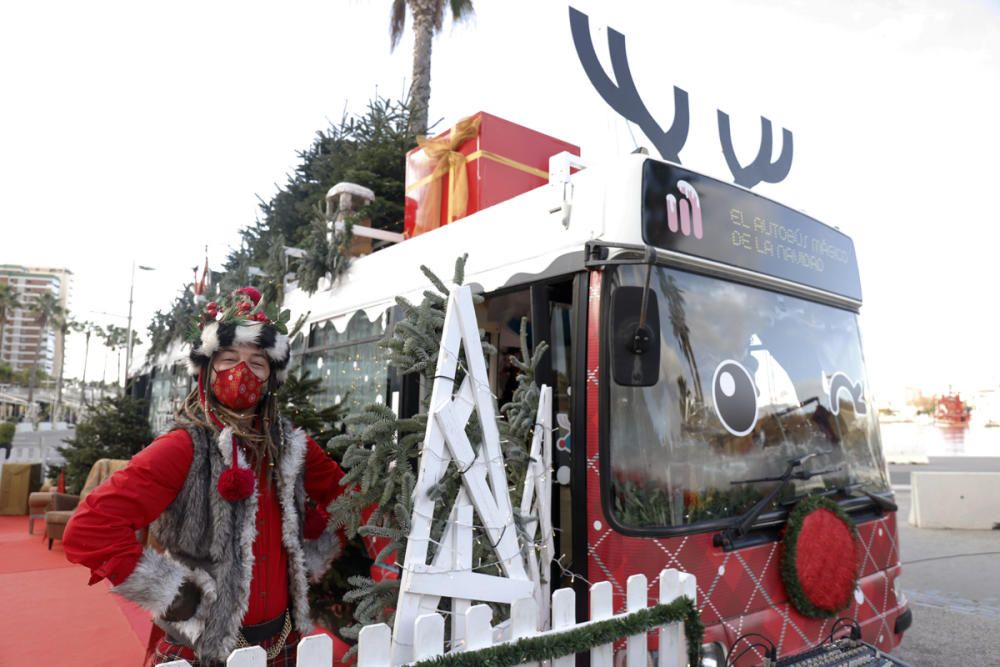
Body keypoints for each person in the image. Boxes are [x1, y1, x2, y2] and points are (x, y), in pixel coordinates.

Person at [63, 287, 346, 666]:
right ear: (208, 371)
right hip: (201, 649)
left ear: (270, 381)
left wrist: (313, 547)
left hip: (282, 642)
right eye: (229, 359)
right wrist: (171, 591)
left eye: (257, 364)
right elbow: (89, 528)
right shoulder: (182, 447)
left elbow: (352, 497)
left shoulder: (293, 447)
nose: (242, 372)